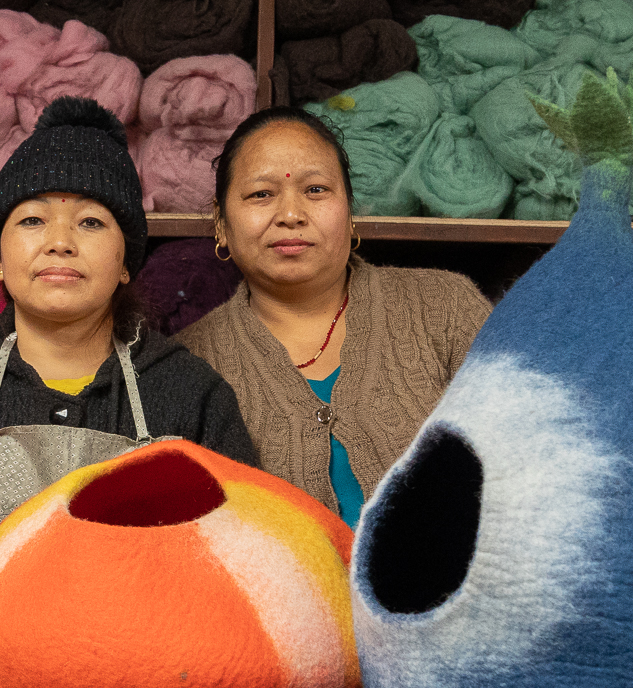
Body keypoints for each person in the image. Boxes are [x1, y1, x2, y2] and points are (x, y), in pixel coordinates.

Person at [0, 97, 256, 592]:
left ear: (127, 262)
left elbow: (247, 566)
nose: (60, 241)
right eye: (32, 221)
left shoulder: (190, 395)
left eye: (91, 222)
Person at [175, 106, 492, 528]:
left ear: (350, 210)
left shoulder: (445, 308)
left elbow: (529, 464)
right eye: (261, 194)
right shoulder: (189, 364)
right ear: (221, 223)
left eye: (317, 190)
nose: (291, 214)